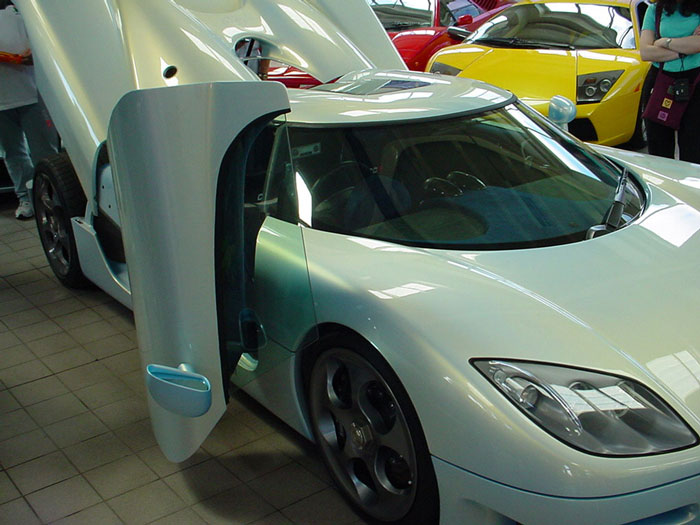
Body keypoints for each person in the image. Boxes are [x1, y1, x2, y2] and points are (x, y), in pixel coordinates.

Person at [0, 0, 57, 219]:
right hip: (3, 102)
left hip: (33, 95)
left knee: (45, 152)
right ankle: (26, 199)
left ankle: (53, 196)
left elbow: (47, 36)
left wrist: (36, 52)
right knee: (13, 154)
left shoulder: (22, 9)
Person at [640, 0, 700, 162]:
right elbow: (645, 52)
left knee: (693, 150)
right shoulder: (654, 10)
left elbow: (698, 44)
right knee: (659, 150)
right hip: (660, 82)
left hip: (695, 82)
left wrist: (664, 42)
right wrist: (684, 51)